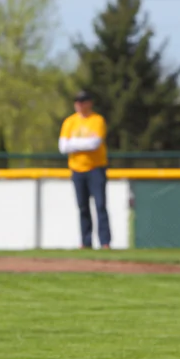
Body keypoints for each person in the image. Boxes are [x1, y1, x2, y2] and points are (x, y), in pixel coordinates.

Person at [58, 90, 111, 249]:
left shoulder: (97, 120)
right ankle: (85, 242)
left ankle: (105, 242)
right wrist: (82, 143)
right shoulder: (69, 122)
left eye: (83, 101)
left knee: (100, 205)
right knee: (82, 207)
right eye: (77, 101)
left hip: (96, 168)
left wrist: (74, 143)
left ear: (89, 103)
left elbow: (95, 143)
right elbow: (63, 146)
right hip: (77, 169)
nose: (79, 104)